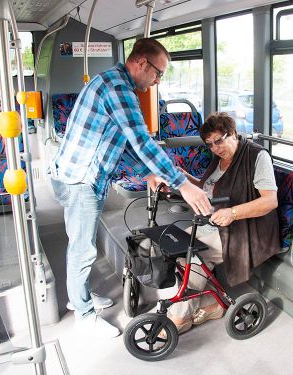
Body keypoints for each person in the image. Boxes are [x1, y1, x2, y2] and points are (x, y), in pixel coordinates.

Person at [50, 38, 211, 338]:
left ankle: (79, 295)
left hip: (81, 175)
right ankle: (84, 316)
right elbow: (141, 140)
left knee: (80, 244)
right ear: (140, 63)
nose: (158, 80)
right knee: (83, 250)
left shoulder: (112, 82)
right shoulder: (119, 89)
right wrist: (184, 184)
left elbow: (116, 143)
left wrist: (146, 172)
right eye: (158, 72)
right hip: (81, 181)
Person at [165, 112, 281, 334]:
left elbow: (270, 201)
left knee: (194, 257)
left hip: (246, 228)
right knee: (177, 250)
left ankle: (178, 317)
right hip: (214, 223)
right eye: (209, 144)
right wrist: (185, 177)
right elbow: (207, 187)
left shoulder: (256, 156)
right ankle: (212, 305)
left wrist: (233, 213)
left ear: (234, 133)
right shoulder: (220, 159)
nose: (215, 148)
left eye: (219, 140)